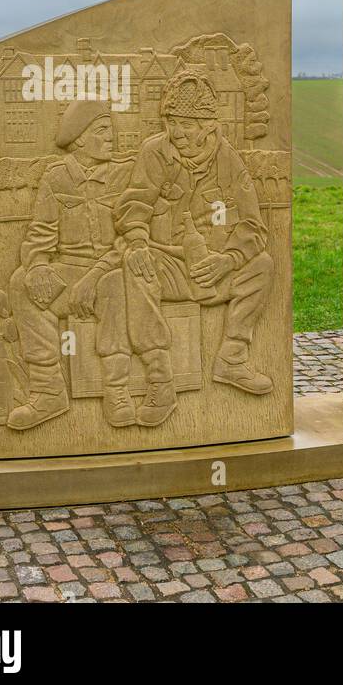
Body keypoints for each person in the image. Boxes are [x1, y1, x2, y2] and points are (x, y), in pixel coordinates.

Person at [115, 68, 274, 428]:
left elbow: (253, 225)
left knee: (262, 265)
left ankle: (232, 359)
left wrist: (227, 261)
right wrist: (138, 241)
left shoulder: (228, 159)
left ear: (207, 124)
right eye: (171, 122)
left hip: (214, 268)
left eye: (186, 124)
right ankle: (160, 380)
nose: (177, 132)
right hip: (166, 262)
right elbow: (133, 206)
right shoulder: (154, 152)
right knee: (134, 265)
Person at [5, 99, 133, 429]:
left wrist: (95, 274)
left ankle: (117, 390)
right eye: (103, 131)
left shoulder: (124, 175)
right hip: (69, 270)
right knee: (21, 282)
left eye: (111, 131)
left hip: (111, 269)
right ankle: (48, 392)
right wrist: (37, 266)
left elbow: (131, 236)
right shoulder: (57, 178)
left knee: (114, 284)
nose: (112, 138)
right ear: (78, 139)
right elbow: (40, 232)